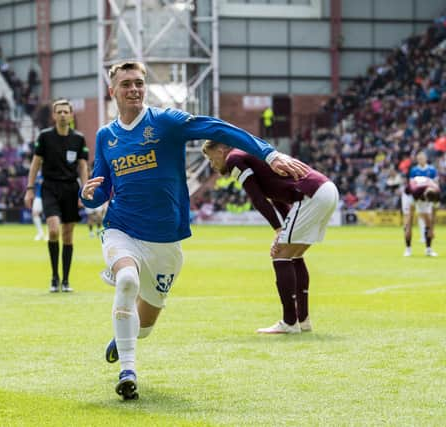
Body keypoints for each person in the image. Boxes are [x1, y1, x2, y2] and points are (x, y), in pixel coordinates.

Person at [80, 60, 308, 400]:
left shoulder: (166, 122)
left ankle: (122, 334)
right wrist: (88, 195)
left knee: (143, 328)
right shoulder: (105, 136)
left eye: (139, 83)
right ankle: (128, 371)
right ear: (112, 91)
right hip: (121, 226)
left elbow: (218, 129)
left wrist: (267, 152)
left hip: (166, 242)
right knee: (127, 281)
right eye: (126, 84)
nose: (134, 89)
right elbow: (100, 188)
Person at [202, 141, 339, 334]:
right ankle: (303, 319)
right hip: (325, 189)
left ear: (221, 150)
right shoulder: (251, 156)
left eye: (210, 157)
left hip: (311, 194)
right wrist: (282, 230)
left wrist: (278, 231)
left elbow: (257, 198)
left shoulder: (234, 158)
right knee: (294, 254)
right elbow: (277, 198)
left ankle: (290, 322)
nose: (212, 164)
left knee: (280, 255)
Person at [24, 99, 89, 293]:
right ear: (54, 116)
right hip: (50, 188)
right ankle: (54, 277)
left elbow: (83, 166)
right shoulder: (45, 137)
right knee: (53, 231)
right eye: (58, 112)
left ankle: (66, 280)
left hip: (70, 188)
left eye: (65, 112)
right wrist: (29, 188)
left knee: (68, 235)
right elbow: (35, 163)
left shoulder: (78, 139)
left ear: (70, 115)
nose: (62, 115)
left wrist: (84, 191)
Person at [403, 152, 438, 256]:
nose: (421, 160)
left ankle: (428, 249)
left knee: (428, 222)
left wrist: (432, 228)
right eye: (419, 158)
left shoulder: (435, 191)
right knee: (409, 221)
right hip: (411, 195)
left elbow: (434, 212)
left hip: (424, 196)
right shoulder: (414, 171)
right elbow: (411, 187)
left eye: (422, 158)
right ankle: (408, 249)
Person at [31, 172, 46, 241]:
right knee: (34, 213)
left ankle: (49, 234)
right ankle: (40, 233)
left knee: (50, 214)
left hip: (48, 195)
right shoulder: (37, 172)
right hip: (38, 196)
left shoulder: (49, 170)